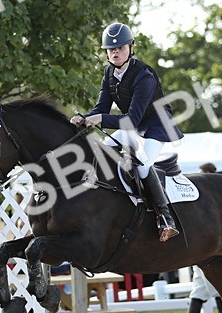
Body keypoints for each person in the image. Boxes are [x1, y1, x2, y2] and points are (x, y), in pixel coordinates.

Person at [70, 22, 184, 242]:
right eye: (111, 49)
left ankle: (166, 219)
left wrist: (100, 119)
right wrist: (84, 118)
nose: (115, 52)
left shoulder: (144, 76)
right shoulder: (109, 73)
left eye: (121, 48)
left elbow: (131, 119)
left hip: (157, 126)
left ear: (131, 48)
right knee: (102, 153)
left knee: (143, 166)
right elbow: (101, 108)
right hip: (134, 127)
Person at [186, 162, 222, 313]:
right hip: (204, 248)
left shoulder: (213, 193)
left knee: (203, 290)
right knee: (202, 289)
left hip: (211, 246)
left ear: (208, 173)